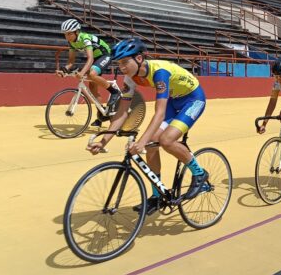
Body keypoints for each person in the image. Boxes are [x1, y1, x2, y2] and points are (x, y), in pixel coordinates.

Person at [86, 38, 209, 214]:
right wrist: (104, 141)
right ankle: (156, 196)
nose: (122, 67)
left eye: (125, 62)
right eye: (119, 63)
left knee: (166, 140)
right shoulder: (130, 79)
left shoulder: (160, 73)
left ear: (139, 59)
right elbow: (121, 113)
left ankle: (199, 174)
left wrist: (141, 142)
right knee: (152, 143)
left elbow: (159, 113)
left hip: (193, 99)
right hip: (174, 102)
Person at [57, 19, 121, 127]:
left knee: (92, 75)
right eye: (65, 34)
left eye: (69, 34)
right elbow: (71, 62)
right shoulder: (71, 42)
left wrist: (81, 73)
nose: (67, 37)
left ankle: (114, 92)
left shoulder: (85, 38)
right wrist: (64, 70)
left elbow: (90, 59)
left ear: (77, 32)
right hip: (96, 59)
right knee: (93, 89)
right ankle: (102, 115)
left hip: (104, 55)